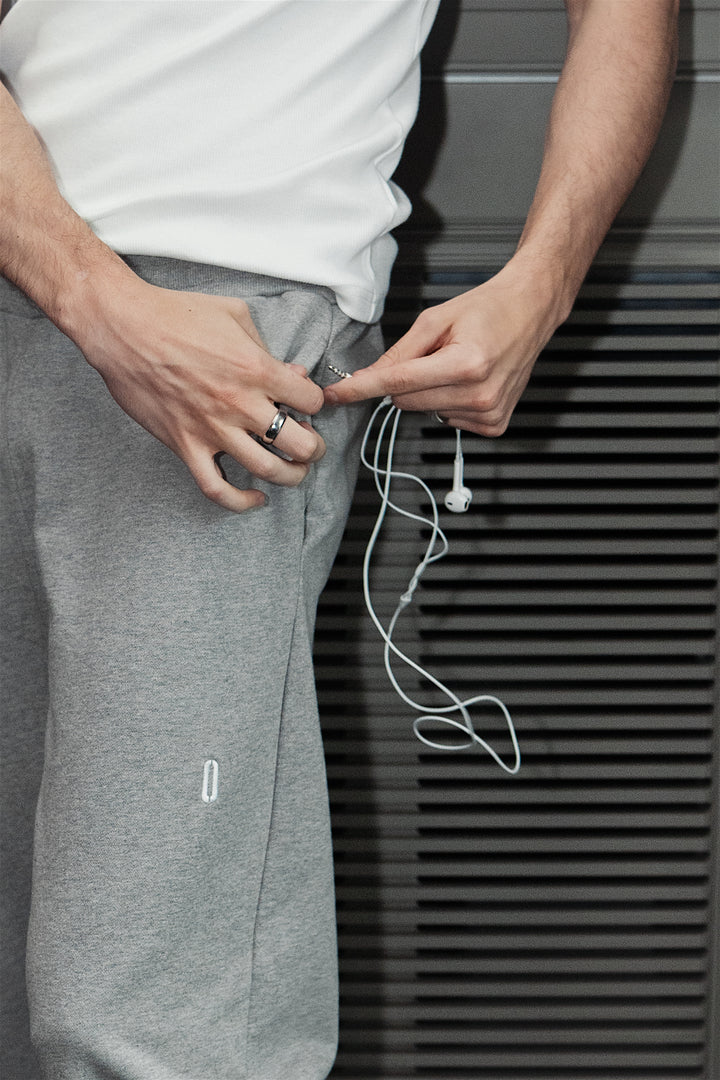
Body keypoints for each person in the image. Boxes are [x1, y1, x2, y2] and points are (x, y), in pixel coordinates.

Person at [0, 1, 679, 1077]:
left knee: (150, 1015)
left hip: (221, 341)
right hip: (39, 270)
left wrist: (543, 285)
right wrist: (90, 295)